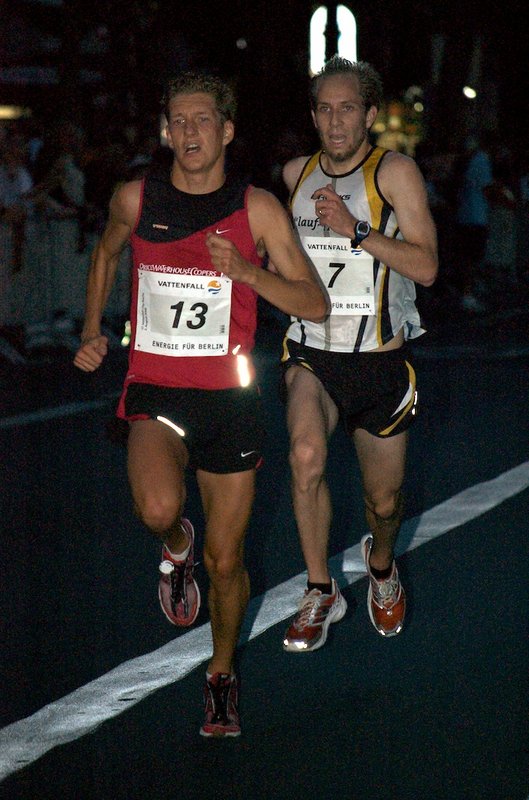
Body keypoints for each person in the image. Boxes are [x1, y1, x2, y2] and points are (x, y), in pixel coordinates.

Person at [73, 71, 327, 737]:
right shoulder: (137, 196)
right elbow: (104, 254)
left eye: (200, 121)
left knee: (226, 559)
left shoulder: (257, 210)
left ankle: (220, 675)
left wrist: (248, 272)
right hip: (155, 391)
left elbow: (313, 302)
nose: (187, 132)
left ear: (225, 131)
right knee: (157, 507)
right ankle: (172, 542)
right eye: (176, 122)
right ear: (163, 131)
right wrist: (91, 331)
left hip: (229, 402)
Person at [278, 56, 438, 653]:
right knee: (304, 454)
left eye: (348, 109)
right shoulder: (294, 173)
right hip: (311, 353)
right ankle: (321, 589)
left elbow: (426, 265)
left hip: (380, 361)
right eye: (325, 108)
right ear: (313, 115)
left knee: (384, 501)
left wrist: (355, 229)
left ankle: (382, 565)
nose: (335, 121)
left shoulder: (394, 173)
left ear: (370, 115)